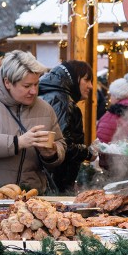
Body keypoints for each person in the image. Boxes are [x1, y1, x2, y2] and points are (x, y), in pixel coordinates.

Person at [0, 50, 66, 195]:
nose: (34, 91)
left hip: (28, 197)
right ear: (7, 82)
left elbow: (60, 144)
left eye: (36, 84)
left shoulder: (45, 109)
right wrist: (17, 142)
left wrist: (52, 153)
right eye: (27, 86)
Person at [38, 60, 96, 194]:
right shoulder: (62, 101)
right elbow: (63, 145)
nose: (91, 86)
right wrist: (88, 153)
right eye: (87, 80)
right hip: (54, 182)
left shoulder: (49, 95)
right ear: (72, 78)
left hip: (46, 179)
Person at [96, 73, 128, 143]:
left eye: (111, 95)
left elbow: (101, 143)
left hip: (113, 153)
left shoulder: (110, 117)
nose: (110, 97)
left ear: (117, 96)